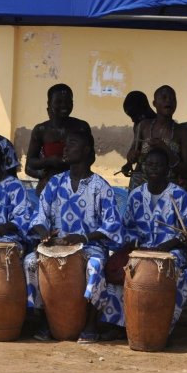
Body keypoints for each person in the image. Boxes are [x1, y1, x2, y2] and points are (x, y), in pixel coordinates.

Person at [27, 126, 124, 343]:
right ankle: (44, 321)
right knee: (29, 262)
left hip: (89, 247)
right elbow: (39, 215)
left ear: (86, 149)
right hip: (55, 245)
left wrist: (85, 237)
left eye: (72, 144)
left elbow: (113, 223)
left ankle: (90, 325)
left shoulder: (100, 186)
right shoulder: (55, 183)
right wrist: (43, 233)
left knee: (96, 266)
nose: (65, 148)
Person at [103, 144, 187, 333]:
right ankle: (121, 325)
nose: (153, 168)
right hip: (141, 249)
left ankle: (162, 328)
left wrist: (167, 246)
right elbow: (127, 227)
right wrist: (135, 244)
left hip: (172, 252)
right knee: (119, 273)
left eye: (158, 165)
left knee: (176, 276)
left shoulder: (179, 195)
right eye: (149, 165)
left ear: (167, 169)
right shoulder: (136, 195)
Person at [25, 83, 92, 193]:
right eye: (58, 102)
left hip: (77, 186)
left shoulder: (82, 127)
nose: (64, 105)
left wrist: (72, 168)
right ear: (49, 103)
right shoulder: (41, 130)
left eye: (68, 102)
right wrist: (49, 162)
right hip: (49, 187)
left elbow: (91, 157)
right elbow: (30, 165)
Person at [121, 85, 187, 186]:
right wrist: (130, 160)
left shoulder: (183, 132)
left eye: (172, 98)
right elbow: (133, 152)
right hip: (140, 185)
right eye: (164, 97)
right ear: (154, 103)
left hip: (168, 188)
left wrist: (165, 149)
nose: (168, 100)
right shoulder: (143, 126)